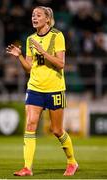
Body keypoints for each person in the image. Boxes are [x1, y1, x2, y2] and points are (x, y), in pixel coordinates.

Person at [6, 6, 78, 176]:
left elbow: (61, 64)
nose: (34, 18)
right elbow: (29, 69)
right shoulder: (30, 39)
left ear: (47, 19)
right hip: (35, 88)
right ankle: (27, 167)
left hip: (55, 88)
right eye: (32, 15)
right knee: (30, 124)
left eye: (38, 15)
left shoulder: (57, 36)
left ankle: (72, 162)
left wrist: (44, 52)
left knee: (56, 130)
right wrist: (20, 57)